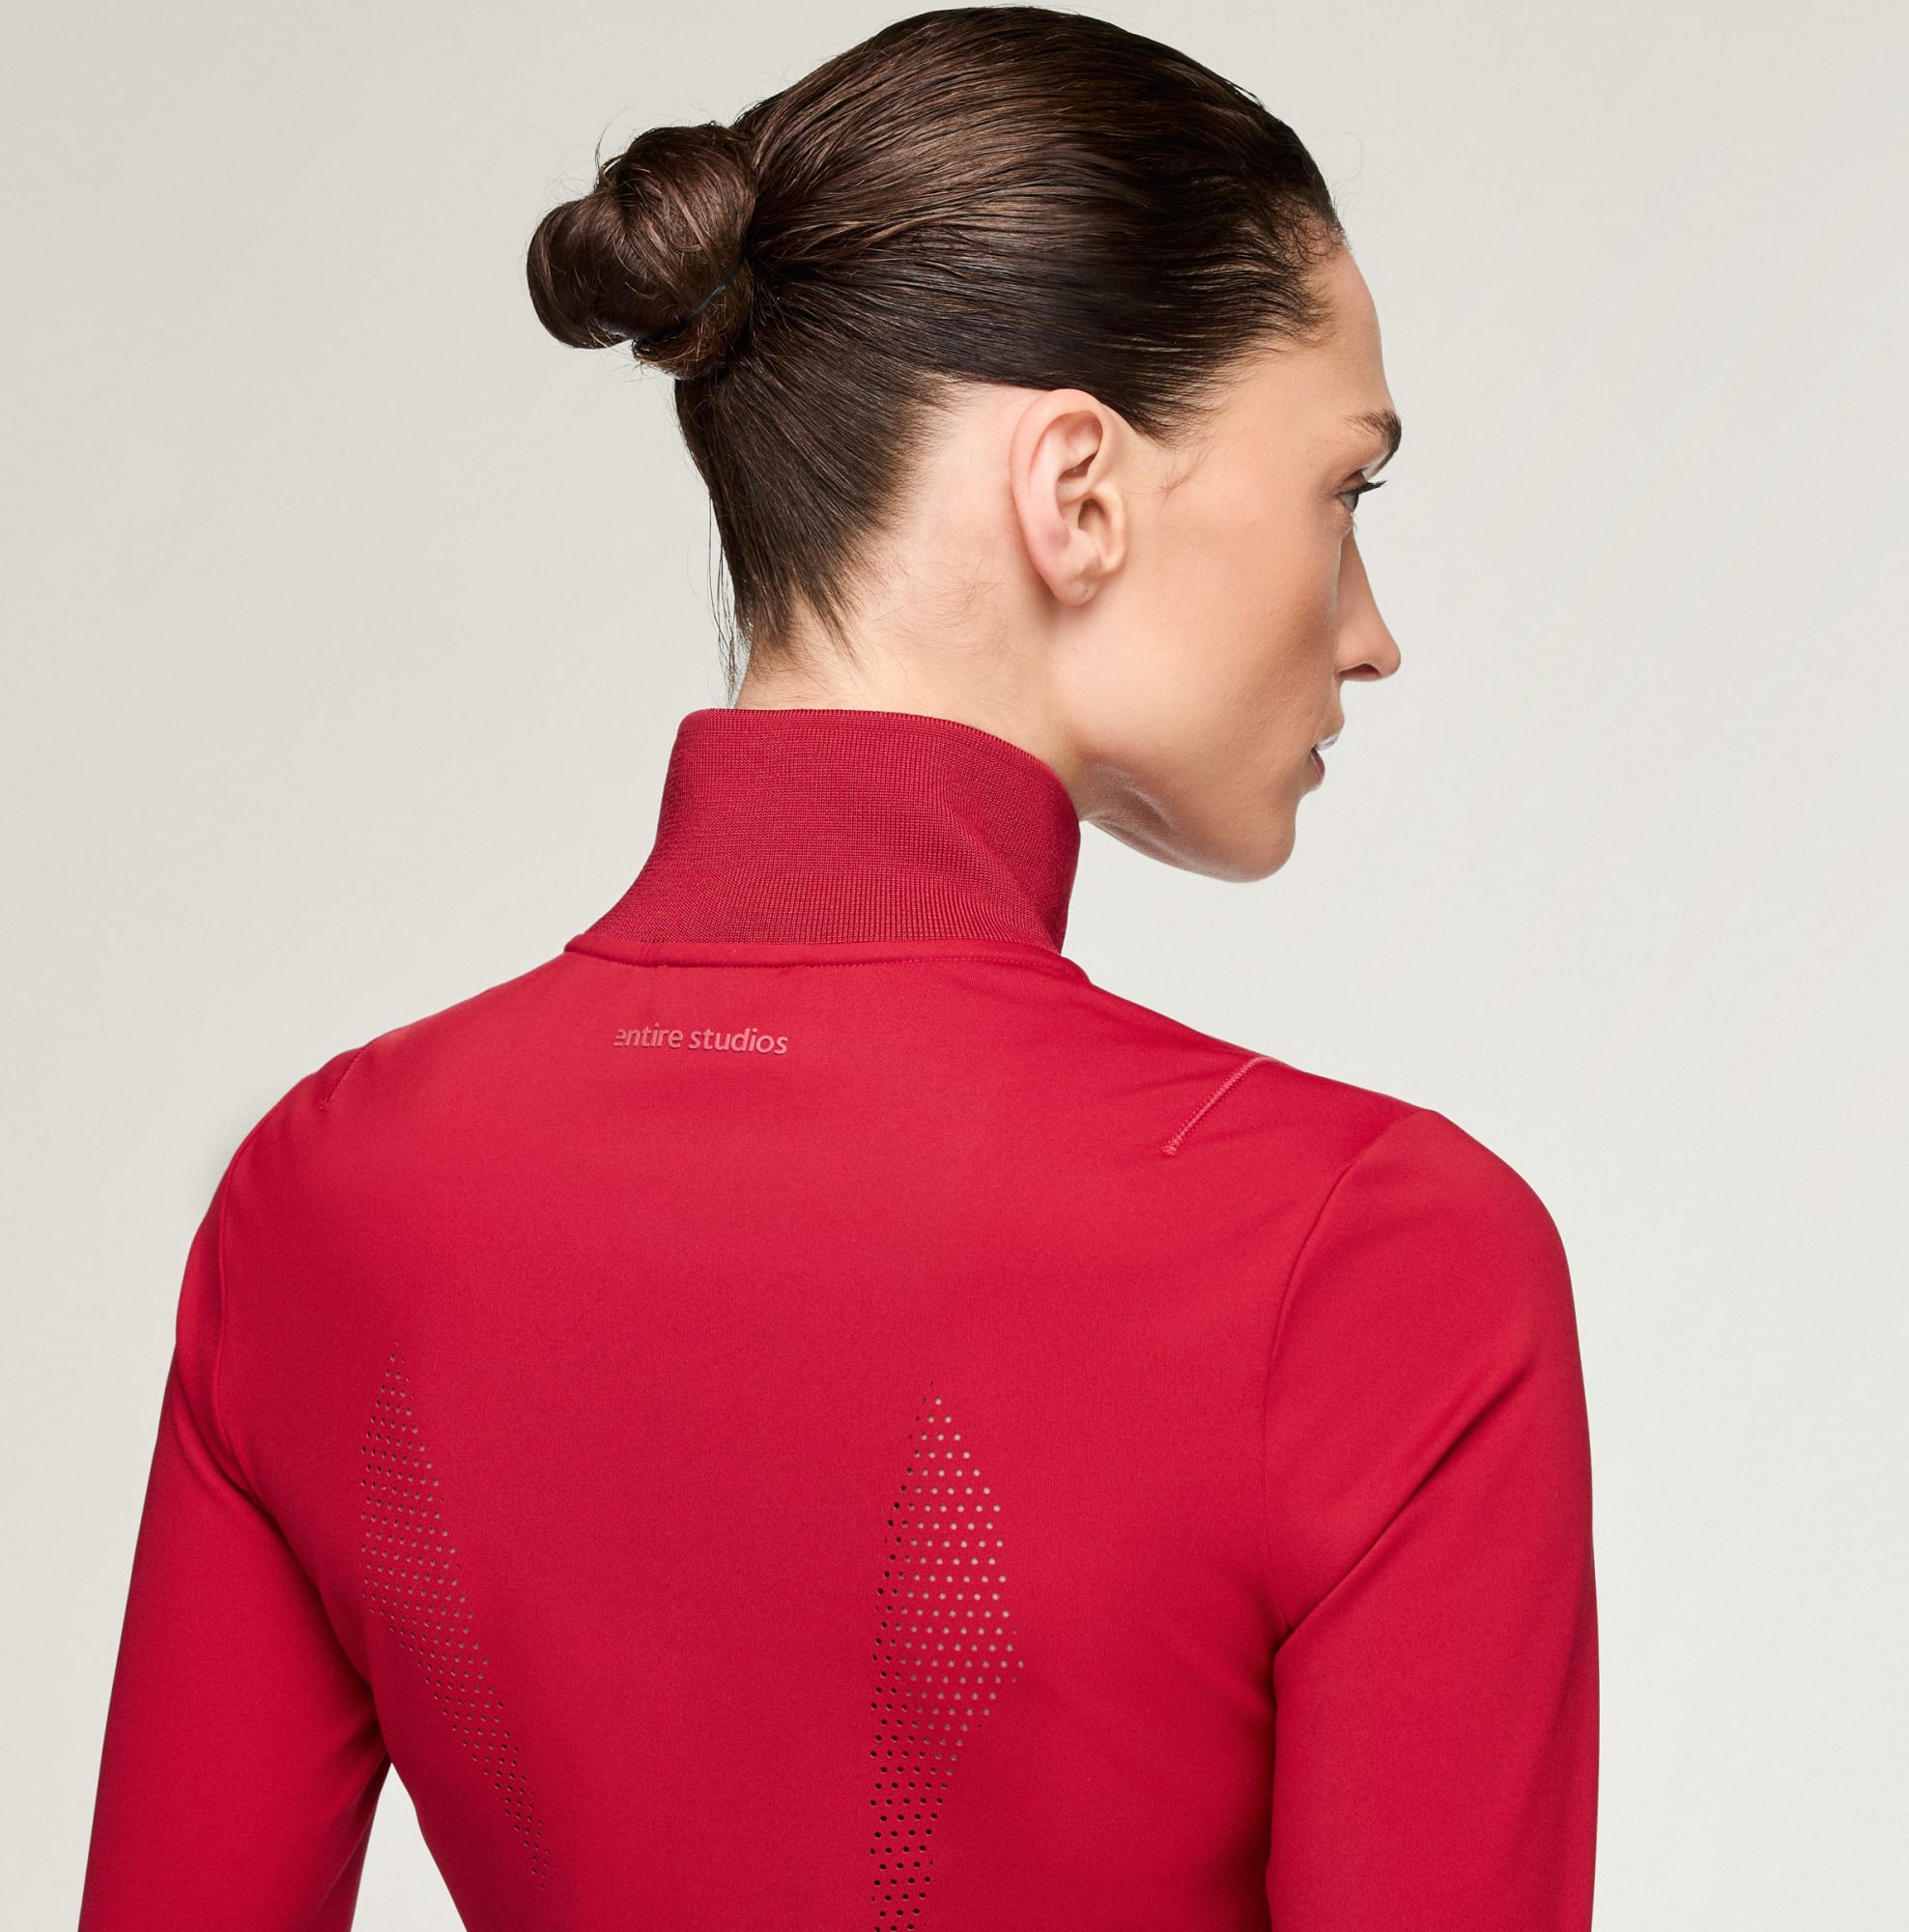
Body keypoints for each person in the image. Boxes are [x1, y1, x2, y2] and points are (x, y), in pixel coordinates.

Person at [78, 8, 1598, 1928]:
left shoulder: (322, 1193)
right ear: (1077, 491)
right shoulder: (1377, 1260)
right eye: (1344, 492)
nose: (1368, 632)